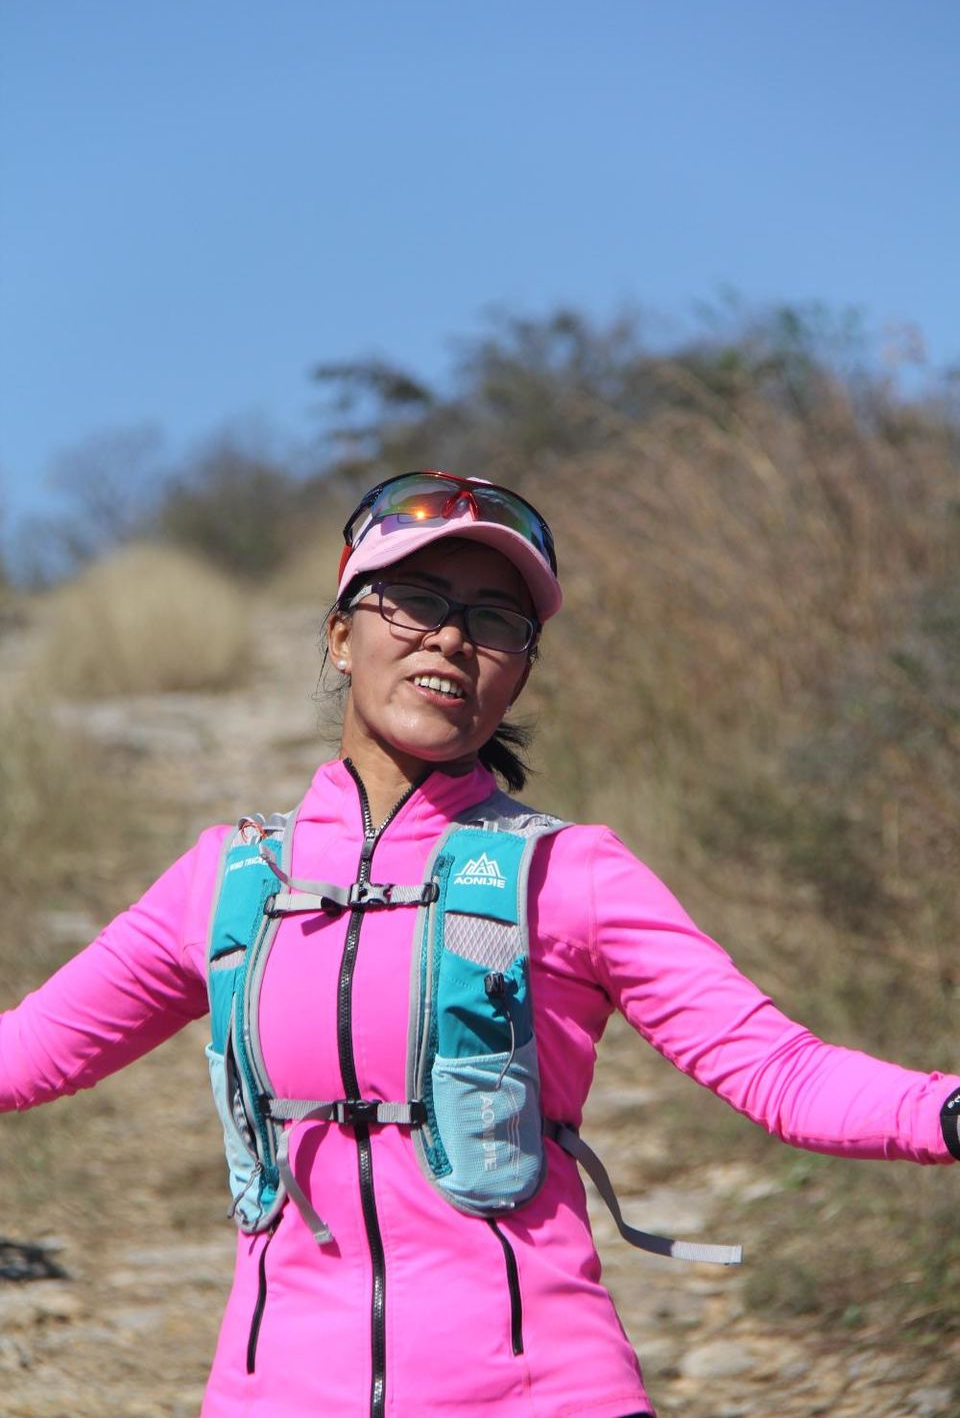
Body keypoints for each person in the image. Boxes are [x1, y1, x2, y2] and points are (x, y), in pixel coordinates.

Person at [1, 469, 958, 1418]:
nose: (453, 638)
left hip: (546, 1395)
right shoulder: (230, 880)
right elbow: (30, 1053)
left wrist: (943, 1111)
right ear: (341, 636)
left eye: (496, 621)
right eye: (416, 601)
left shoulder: (573, 874)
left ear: (521, 671)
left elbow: (781, 1073)